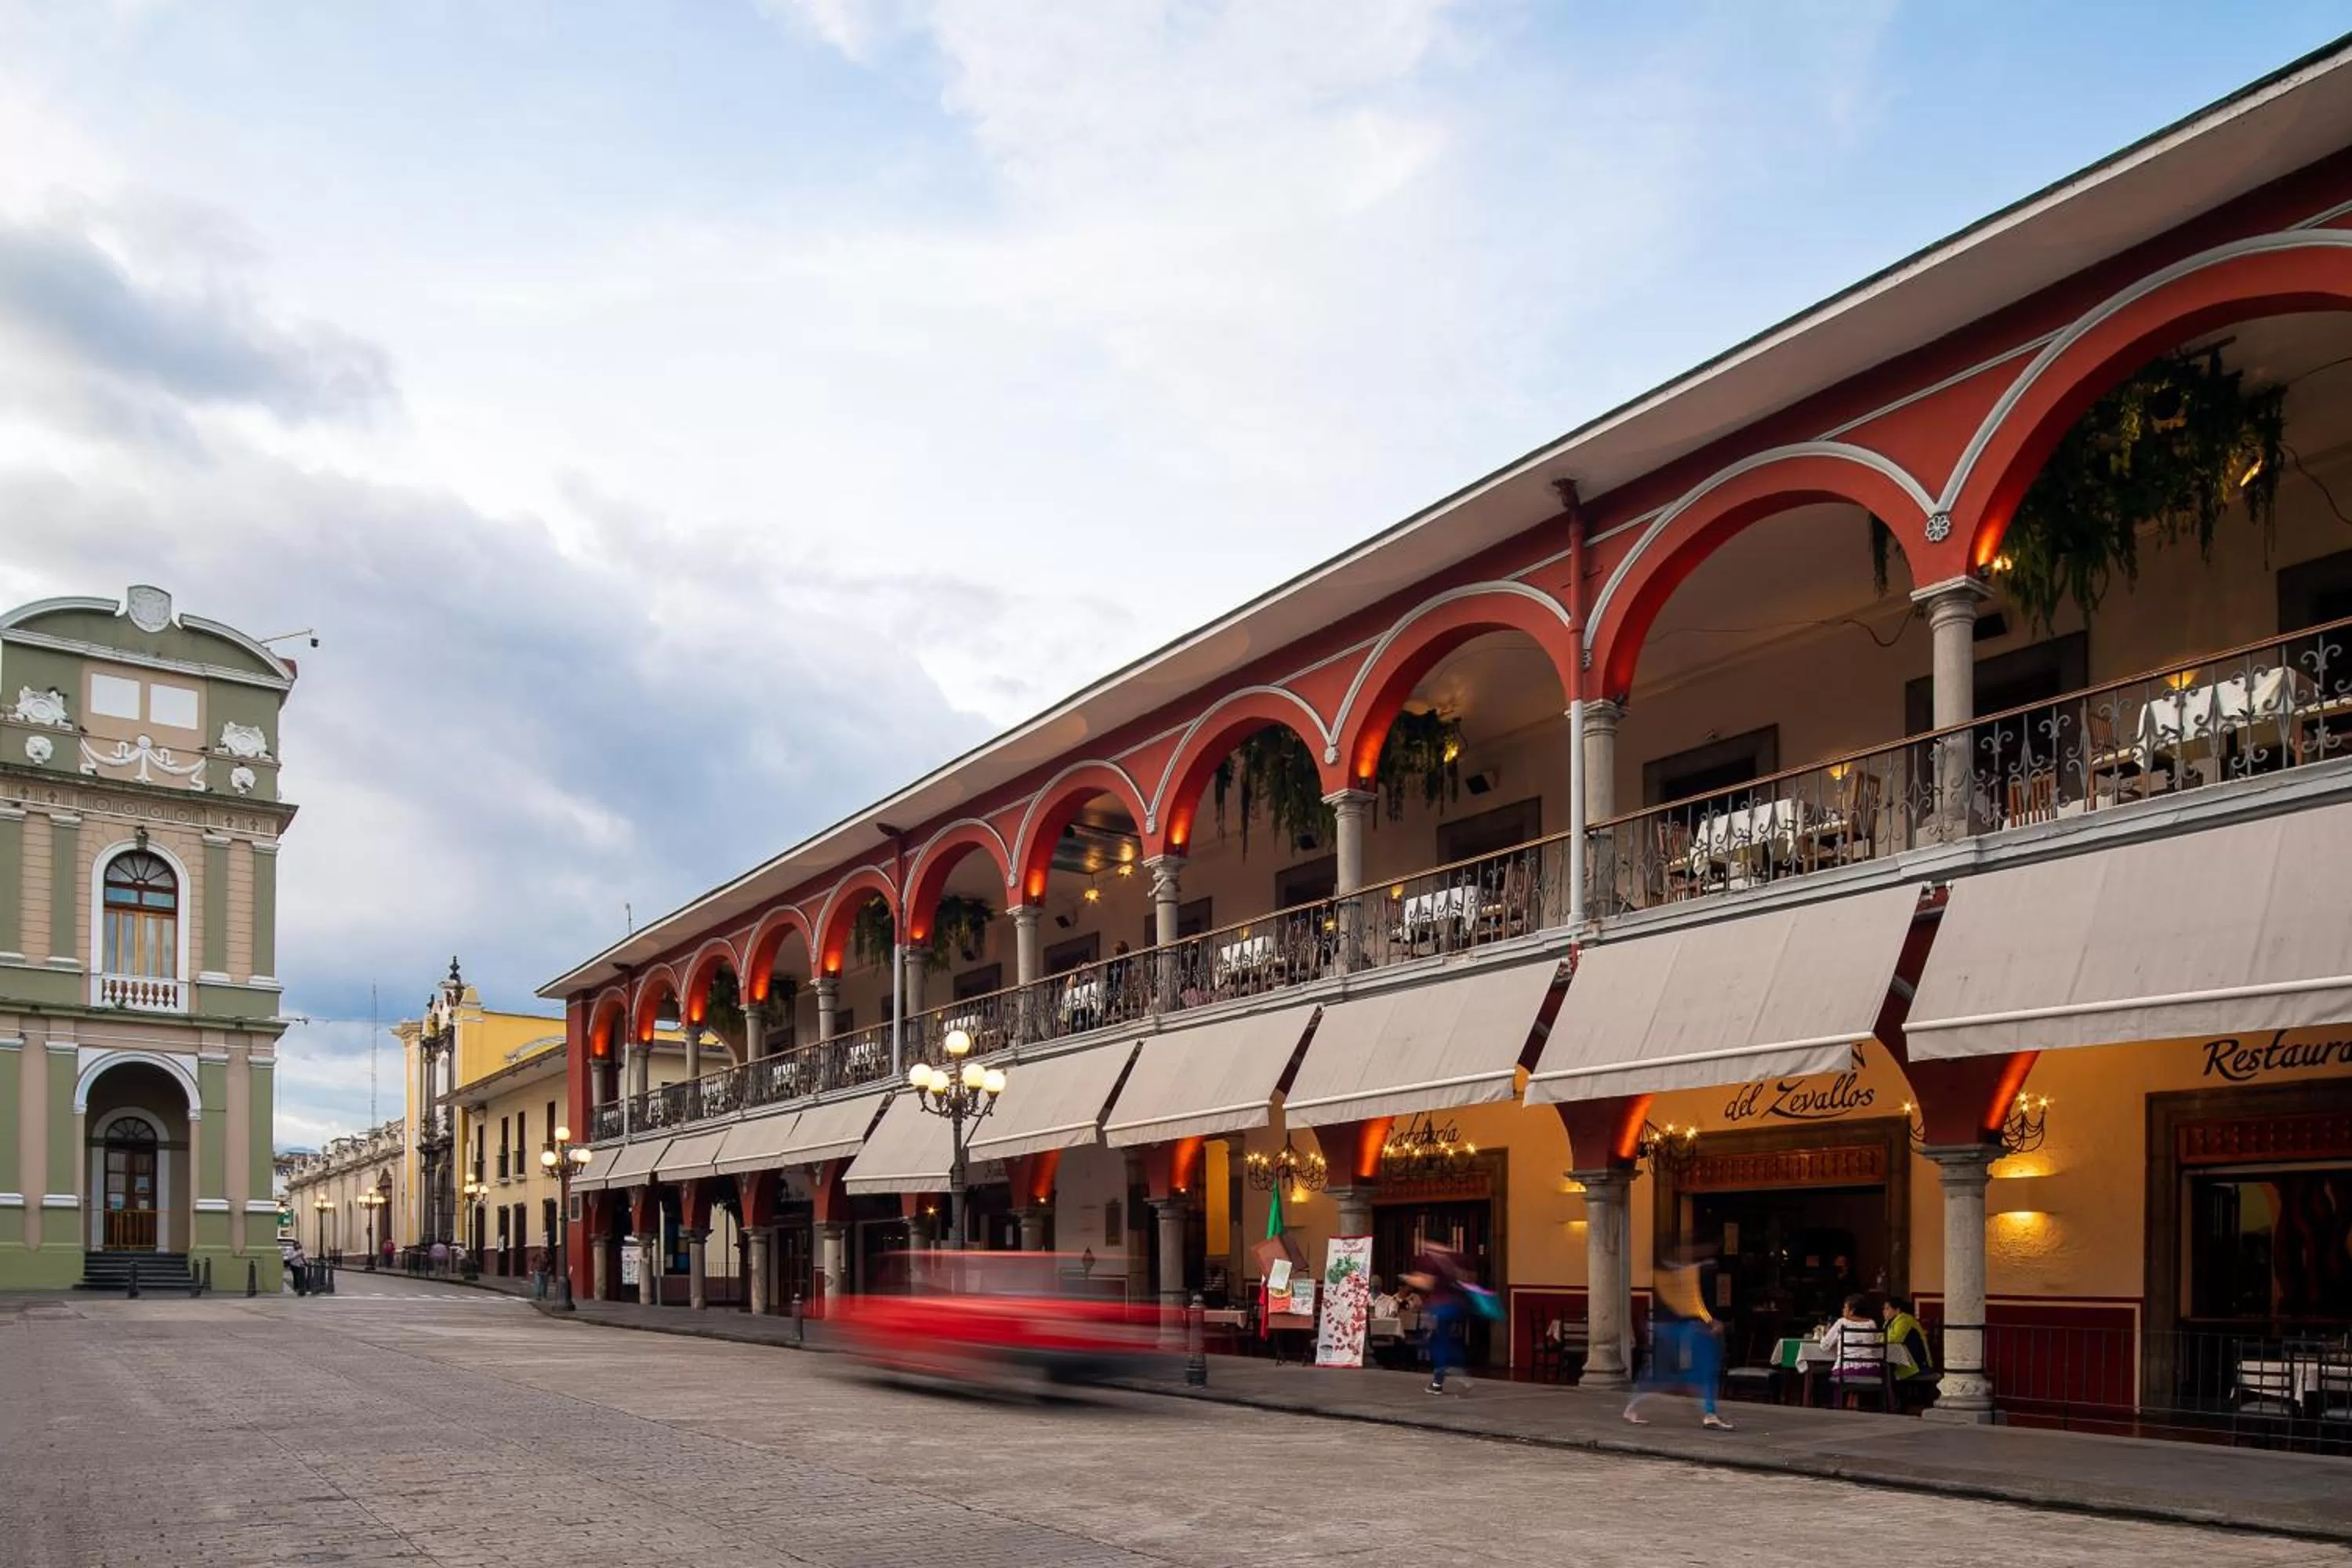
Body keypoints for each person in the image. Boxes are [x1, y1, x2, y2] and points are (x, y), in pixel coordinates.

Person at [1624, 1248, 1733, 1431]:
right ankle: (1708, 1412)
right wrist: (1710, 1321)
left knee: (1683, 1371)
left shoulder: (1667, 1274)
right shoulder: (1683, 1274)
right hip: (1680, 1327)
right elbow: (1691, 1302)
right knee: (1679, 1373)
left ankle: (1709, 1412)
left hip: (1679, 1326)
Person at [1403, 1245, 1472, 1394]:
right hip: (1456, 1305)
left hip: (1440, 1306)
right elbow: (1466, 1277)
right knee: (1445, 1339)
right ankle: (1438, 1381)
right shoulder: (1454, 1257)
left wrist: (1409, 1278)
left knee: (1433, 1341)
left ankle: (1450, 1367)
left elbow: (1428, 1283)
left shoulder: (1431, 1259)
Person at [1818, 1294, 1886, 1403]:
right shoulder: (1871, 1324)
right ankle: (1858, 1405)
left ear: (1852, 1310)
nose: (1843, 1310)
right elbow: (1873, 1345)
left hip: (1846, 1371)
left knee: (1826, 1378)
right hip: (1870, 1370)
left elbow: (1825, 1346)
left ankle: (1838, 1407)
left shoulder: (1842, 1322)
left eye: (1845, 1307)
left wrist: (1825, 1333)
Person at [1881, 1295, 1939, 1408]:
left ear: (1897, 1310)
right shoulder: (1888, 1322)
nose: (1884, 1311)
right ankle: (1893, 1403)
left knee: (1891, 1372)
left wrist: (1878, 1338)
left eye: (1887, 1308)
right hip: (1905, 1359)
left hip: (1918, 1363)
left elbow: (1896, 1338)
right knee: (1888, 1370)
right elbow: (1886, 1337)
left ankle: (1896, 1405)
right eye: (1883, 1309)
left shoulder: (1904, 1319)